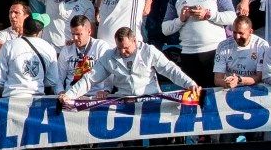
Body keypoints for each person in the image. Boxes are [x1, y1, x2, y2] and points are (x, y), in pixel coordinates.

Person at [64, 26, 196, 100]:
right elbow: (90, 79)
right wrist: (69, 95)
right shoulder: (109, 56)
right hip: (124, 101)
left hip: (150, 98)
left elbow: (170, 70)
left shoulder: (149, 51)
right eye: (119, 47)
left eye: (126, 48)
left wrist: (189, 84)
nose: (122, 51)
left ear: (135, 41)